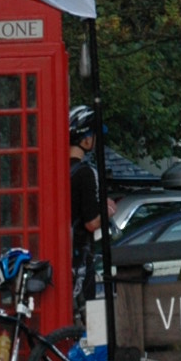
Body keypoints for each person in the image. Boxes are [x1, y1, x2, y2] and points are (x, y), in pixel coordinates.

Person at [69, 107, 103, 304]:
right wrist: (107, 211)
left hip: (60, 256)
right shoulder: (86, 173)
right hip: (80, 255)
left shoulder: (57, 169)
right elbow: (91, 222)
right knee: (84, 311)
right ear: (86, 139)